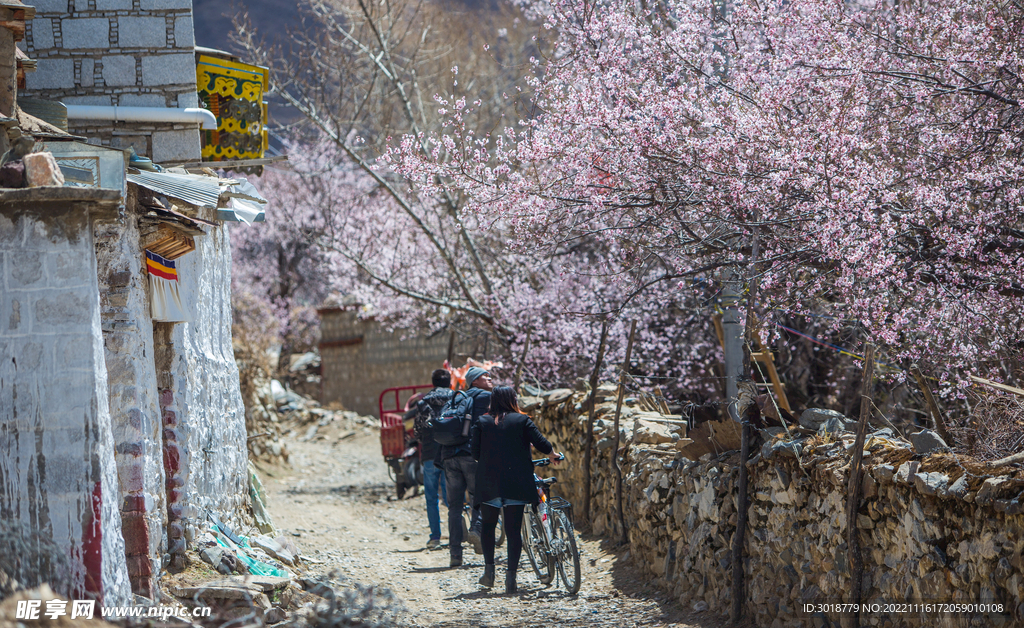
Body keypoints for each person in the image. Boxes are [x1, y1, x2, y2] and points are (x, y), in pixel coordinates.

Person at [472, 385, 563, 594]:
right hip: (516, 482)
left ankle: (489, 573)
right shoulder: (522, 420)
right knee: (514, 531)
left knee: (488, 526)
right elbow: (541, 442)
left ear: (492, 401)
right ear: (513, 399)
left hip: (489, 482)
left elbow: (474, 453)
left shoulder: (482, 422)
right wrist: (552, 454)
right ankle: (511, 580)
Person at [437, 365, 492, 568]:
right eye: (485, 376)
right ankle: (477, 530)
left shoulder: (456, 397)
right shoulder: (486, 398)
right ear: (475, 380)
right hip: (471, 455)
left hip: (449, 456)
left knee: (454, 506)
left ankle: (455, 555)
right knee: (479, 496)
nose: (490, 378)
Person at [415, 368, 453, 549]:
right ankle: (456, 534)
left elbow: (418, 430)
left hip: (430, 453)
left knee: (431, 497)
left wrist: (425, 441)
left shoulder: (423, 402)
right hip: (451, 453)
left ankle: (435, 537)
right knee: (451, 496)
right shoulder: (457, 398)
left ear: (433, 382)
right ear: (450, 381)